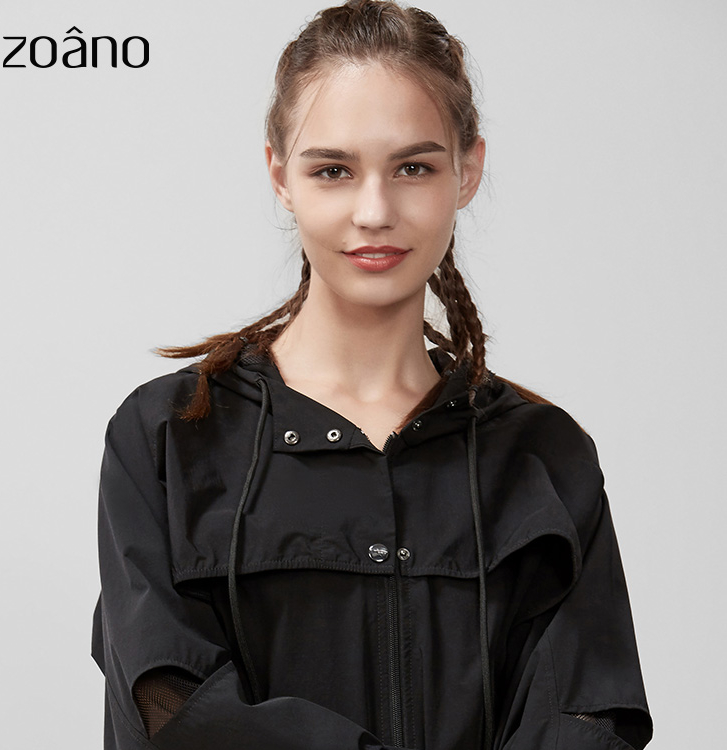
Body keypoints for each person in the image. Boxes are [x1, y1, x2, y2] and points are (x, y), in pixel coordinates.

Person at [90, 1, 653, 748]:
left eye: (414, 167)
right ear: (280, 176)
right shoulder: (169, 437)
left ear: (468, 171)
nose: (374, 210)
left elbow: (589, 718)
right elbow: (169, 705)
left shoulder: (545, 457)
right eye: (333, 170)